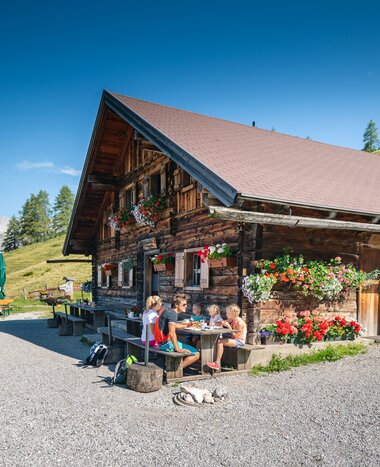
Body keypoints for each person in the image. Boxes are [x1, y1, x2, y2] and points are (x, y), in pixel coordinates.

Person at [154, 293, 200, 369]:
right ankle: (174, 370)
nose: (186, 306)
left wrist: (187, 325)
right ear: (176, 304)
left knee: (185, 343)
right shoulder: (173, 314)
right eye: (184, 304)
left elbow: (174, 326)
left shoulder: (169, 311)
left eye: (186, 304)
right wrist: (178, 349)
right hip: (165, 344)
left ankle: (173, 368)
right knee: (196, 353)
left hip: (160, 343)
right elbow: (172, 333)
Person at [207, 304, 247, 371]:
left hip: (239, 341)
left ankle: (217, 363)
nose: (226, 314)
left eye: (227, 313)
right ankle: (213, 360)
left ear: (233, 313)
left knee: (220, 342)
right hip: (234, 340)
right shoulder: (232, 319)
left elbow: (236, 336)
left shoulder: (239, 322)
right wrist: (215, 323)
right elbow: (222, 322)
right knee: (218, 340)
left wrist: (229, 327)